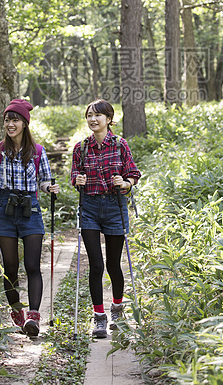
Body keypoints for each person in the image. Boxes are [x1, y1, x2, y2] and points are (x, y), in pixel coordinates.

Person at [0, 98, 59, 337]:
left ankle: (34, 317)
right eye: (7, 120)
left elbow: (44, 181)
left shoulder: (37, 151)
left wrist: (50, 189)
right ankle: (17, 311)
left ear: (25, 123)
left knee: (32, 265)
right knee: (11, 268)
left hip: (30, 209)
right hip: (4, 210)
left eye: (15, 119)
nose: (10, 124)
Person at [71, 99, 141, 338]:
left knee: (113, 264)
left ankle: (117, 309)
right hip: (89, 206)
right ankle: (99, 317)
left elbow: (133, 173)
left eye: (98, 115)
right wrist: (77, 180)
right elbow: (74, 175)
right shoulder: (81, 148)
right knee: (96, 265)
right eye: (89, 115)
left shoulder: (120, 145)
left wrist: (126, 182)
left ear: (109, 119)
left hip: (114, 207)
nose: (93, 119)